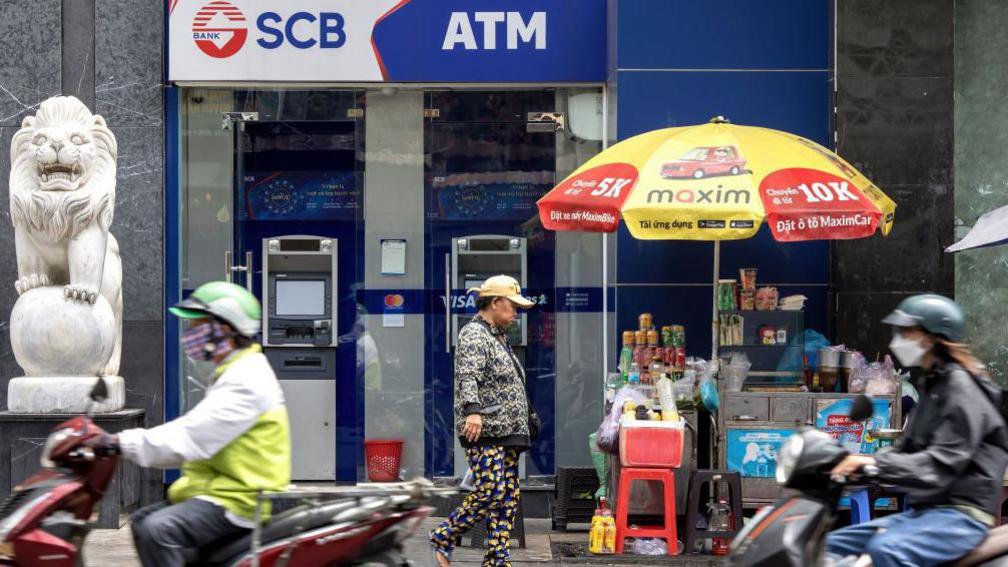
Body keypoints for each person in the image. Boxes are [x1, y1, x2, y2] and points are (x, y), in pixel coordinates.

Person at [85, 281, 291, 566]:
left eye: (198, 326)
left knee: (159, 530)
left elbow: (189, 439)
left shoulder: (247, 379)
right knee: (143, 521)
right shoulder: (233, 371)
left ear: (224, 330)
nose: (189, 334)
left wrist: (119, 442)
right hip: (214, 490)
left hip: (236, 500)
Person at [826, 294, 1008, 567]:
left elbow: (940, 462)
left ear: (932, 337)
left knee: (885, 549)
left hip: (960, 517)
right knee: (831, 544)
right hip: (925, 513)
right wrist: (847, 464)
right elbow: (906, 451)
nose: (898, 339)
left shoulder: (961, 388)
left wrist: (874, 462)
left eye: (906, 332)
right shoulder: (934, 385)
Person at [430, 275, 539, 567]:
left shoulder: (496, 335)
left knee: (508, 497)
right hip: (485, 428)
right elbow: (468, 375)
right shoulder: (474, 334)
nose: (516, 312)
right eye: (512, 305)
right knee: (491, 490)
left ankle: (497, 560)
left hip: (508, 431)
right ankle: (443, 536)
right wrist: (473, 411)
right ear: (494, 302)